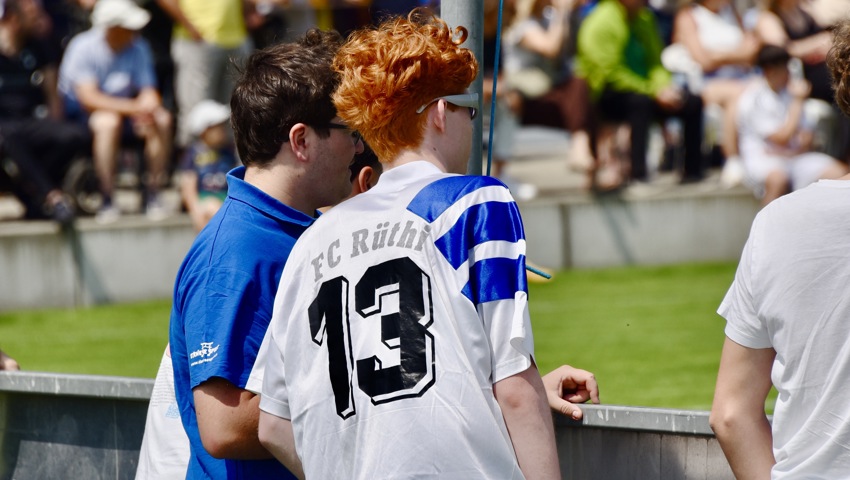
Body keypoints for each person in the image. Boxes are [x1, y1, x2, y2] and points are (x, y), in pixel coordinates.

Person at [257, 11, 562, 479]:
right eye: (468, 109)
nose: (472, 122)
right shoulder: (476, 203)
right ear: (440, 113)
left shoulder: (311, 241)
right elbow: (514, 385)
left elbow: (273, 425)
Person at [168, 29, 363, 480]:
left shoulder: (293, 231)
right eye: (350, 131)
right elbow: (223, 424)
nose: (358, 147)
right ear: (301, 140)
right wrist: (373, 393)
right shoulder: (238, 252)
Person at [709, 19, 850, 478]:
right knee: (777, 179)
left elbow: (731, 415)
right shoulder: (757, 97)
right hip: (771, 166)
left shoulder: (776, 223)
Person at [58, 0, 174, 223]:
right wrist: (134, 108)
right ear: (112, 28)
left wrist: (148, 108)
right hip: (83, 118)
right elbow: (89, 99)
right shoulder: (82, 47)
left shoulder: (139, 46)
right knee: (108, 122)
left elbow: (148, 90)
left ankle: (153, 193)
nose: (134, 31)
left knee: (162, 119)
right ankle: (107, 197)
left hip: (128, 114)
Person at [576, 0, 705, 183]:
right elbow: (610, 73)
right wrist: (653, 91)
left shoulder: (645, 18)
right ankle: (638, 173)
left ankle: (693, 172)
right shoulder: (600, 21)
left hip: (645, 90)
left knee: (692, 102)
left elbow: (656, 63)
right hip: (608, 94)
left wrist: (663, 87)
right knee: (640, 103)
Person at [0, 0, 89, 225]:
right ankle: (52, 196)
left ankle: (32, 195)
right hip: (3, 126)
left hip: (29, 120)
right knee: (8, 137)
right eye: (32, 16)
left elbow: (52, 95)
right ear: (13, 19)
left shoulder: (38, 47)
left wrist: (53, 127)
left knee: (73, 136)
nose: (39, 21)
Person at [735, 44, 846, 206]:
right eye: (784, 68)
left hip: (796, 157)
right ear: (770, 70)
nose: (788, 73)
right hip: (764, 159)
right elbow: (782, 138)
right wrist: (798, 101)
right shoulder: (753, 98)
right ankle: (766, 221)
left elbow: (807, 138)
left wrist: (798, 144)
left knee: (839, 173)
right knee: (778, 179)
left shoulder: (790, 94)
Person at [503, 0, 598, 188]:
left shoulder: (547, 18)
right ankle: (580, 145)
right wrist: (562, 13)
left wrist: (573, 12)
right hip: (525, 97)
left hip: (549, 91)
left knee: (585, 93)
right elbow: (551, 49)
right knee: (578, 92)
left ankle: (588, 163)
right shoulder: (521, 25)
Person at [155, 0, 253, 147]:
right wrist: (191, 28)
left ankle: (229, 159)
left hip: (237, 38)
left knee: (237, 110)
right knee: (195, 112)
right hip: (197, 41)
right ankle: (191, 159)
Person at [178, 99, 238, 232]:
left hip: (225, 198)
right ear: (204, 130)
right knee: (212, 207)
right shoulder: (193, 153)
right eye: (218, 126)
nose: (223, 130)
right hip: (204, 199)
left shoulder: (229, 151)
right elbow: (188, 184)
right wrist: (195, 210)